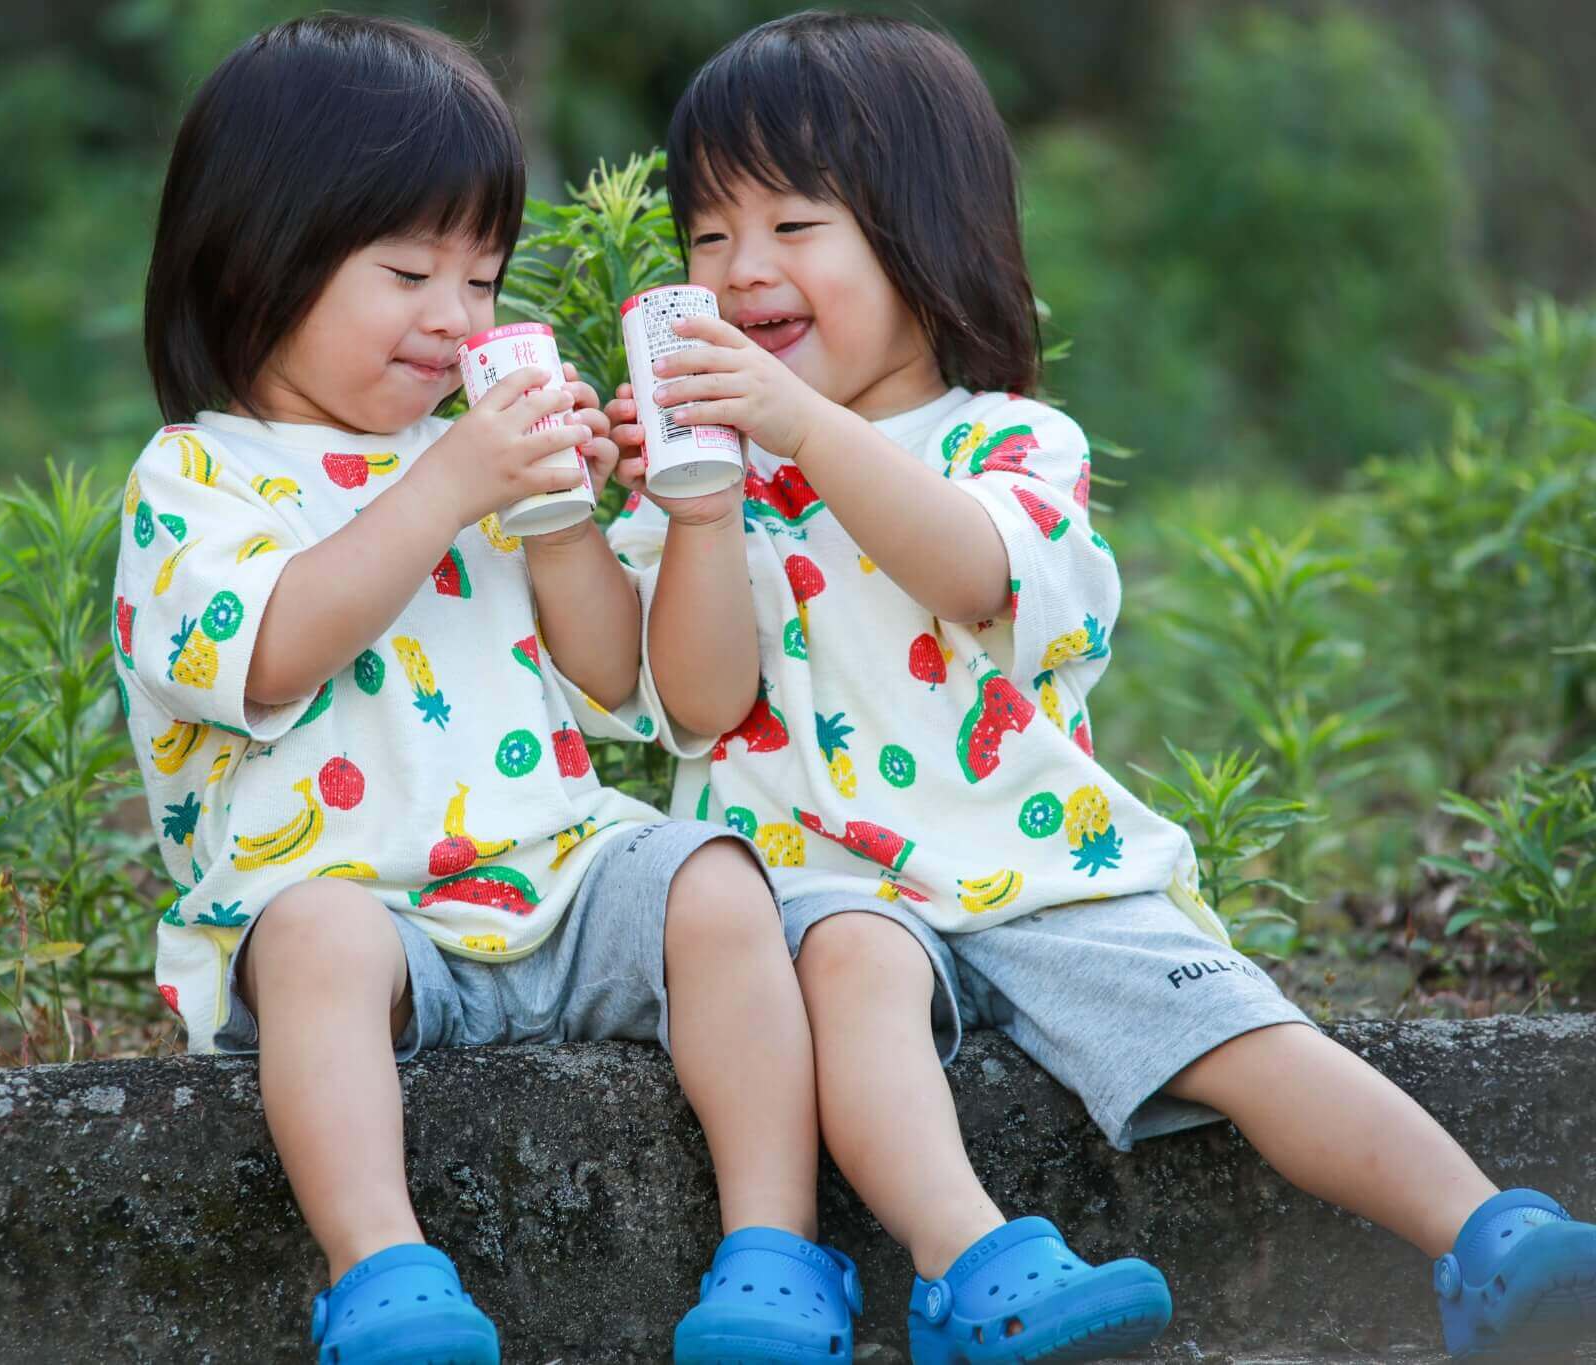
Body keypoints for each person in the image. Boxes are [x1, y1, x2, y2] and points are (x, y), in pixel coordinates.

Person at [606, 12, 1596, 1362]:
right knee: (850, 969)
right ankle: (979, 1262)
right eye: (708, 238)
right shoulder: (709, 481)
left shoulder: (1010, 438)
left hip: (1048, 861)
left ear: (923, 233)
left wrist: (797, 429)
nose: (741, 269)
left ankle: (1488, 1233)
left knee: (1237, 1021)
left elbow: (970, 572)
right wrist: (704, 501)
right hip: (820, 870)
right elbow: (705, 700)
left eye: (792, 224)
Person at [117, 17, 857, 1363]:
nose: (460, 318)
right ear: (256, 258)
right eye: (410, 271)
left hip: (551, 875)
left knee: (715, 881)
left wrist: (568, 507)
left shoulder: (466, 459)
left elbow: (605, 671)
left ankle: (774, 1244)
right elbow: (271, 647)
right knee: (311, 946)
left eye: (485, 276)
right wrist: (451, 482)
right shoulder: (197, 475)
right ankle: (383, 1265)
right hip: (357, 913)